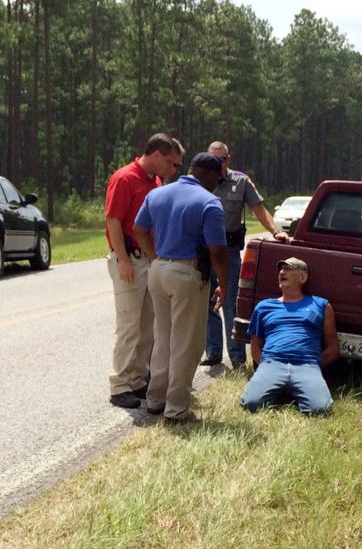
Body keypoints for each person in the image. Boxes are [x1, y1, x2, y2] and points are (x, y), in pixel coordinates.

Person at [133, 152, 230, 423]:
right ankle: (176, 409)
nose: (217, 183)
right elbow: (218, 250)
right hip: (188, 272)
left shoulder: (158, 194)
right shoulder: (209, 202)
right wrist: (223, 283)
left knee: (162, 338)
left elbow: (138, 230)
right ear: (208, 174)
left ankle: (156, 400)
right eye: (217, 178)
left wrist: (155, 257)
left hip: (159, 268)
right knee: (186, 343)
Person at [105, 133, 185, 409]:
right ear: (157, 155)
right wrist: (123, 260)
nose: (173, 170)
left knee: (147, 326)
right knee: (129, 324)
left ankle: (137, 380)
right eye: (171, 163)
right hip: (129, 259)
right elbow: (113, 220)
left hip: (149, 260)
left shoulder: (157, 182)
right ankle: (120, 385)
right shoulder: (125, 177)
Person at [201, 141, 289, 369]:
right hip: (202, 248)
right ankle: (212, 353)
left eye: (220, 160)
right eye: (212, 159)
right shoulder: (201, 180)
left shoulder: (240, 181)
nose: (216, 164)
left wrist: (276, 231)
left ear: (228, 160)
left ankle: (237, 358)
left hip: (228, 249)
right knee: (206, 301)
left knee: (229, 302)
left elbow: (258, 208)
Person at [239, 257, 339, 415]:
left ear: (303, 277)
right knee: (251, 403)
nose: (282, 272)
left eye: (288, 269)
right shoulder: (264, 307)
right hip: (273, 363)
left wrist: (314, 366)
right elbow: (255, 347)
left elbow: (333, 348)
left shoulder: (321, 305)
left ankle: (295, 387)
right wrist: (265, 365)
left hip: (307, 365)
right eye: (280, 269)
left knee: (320, 409)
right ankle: (280, 385)